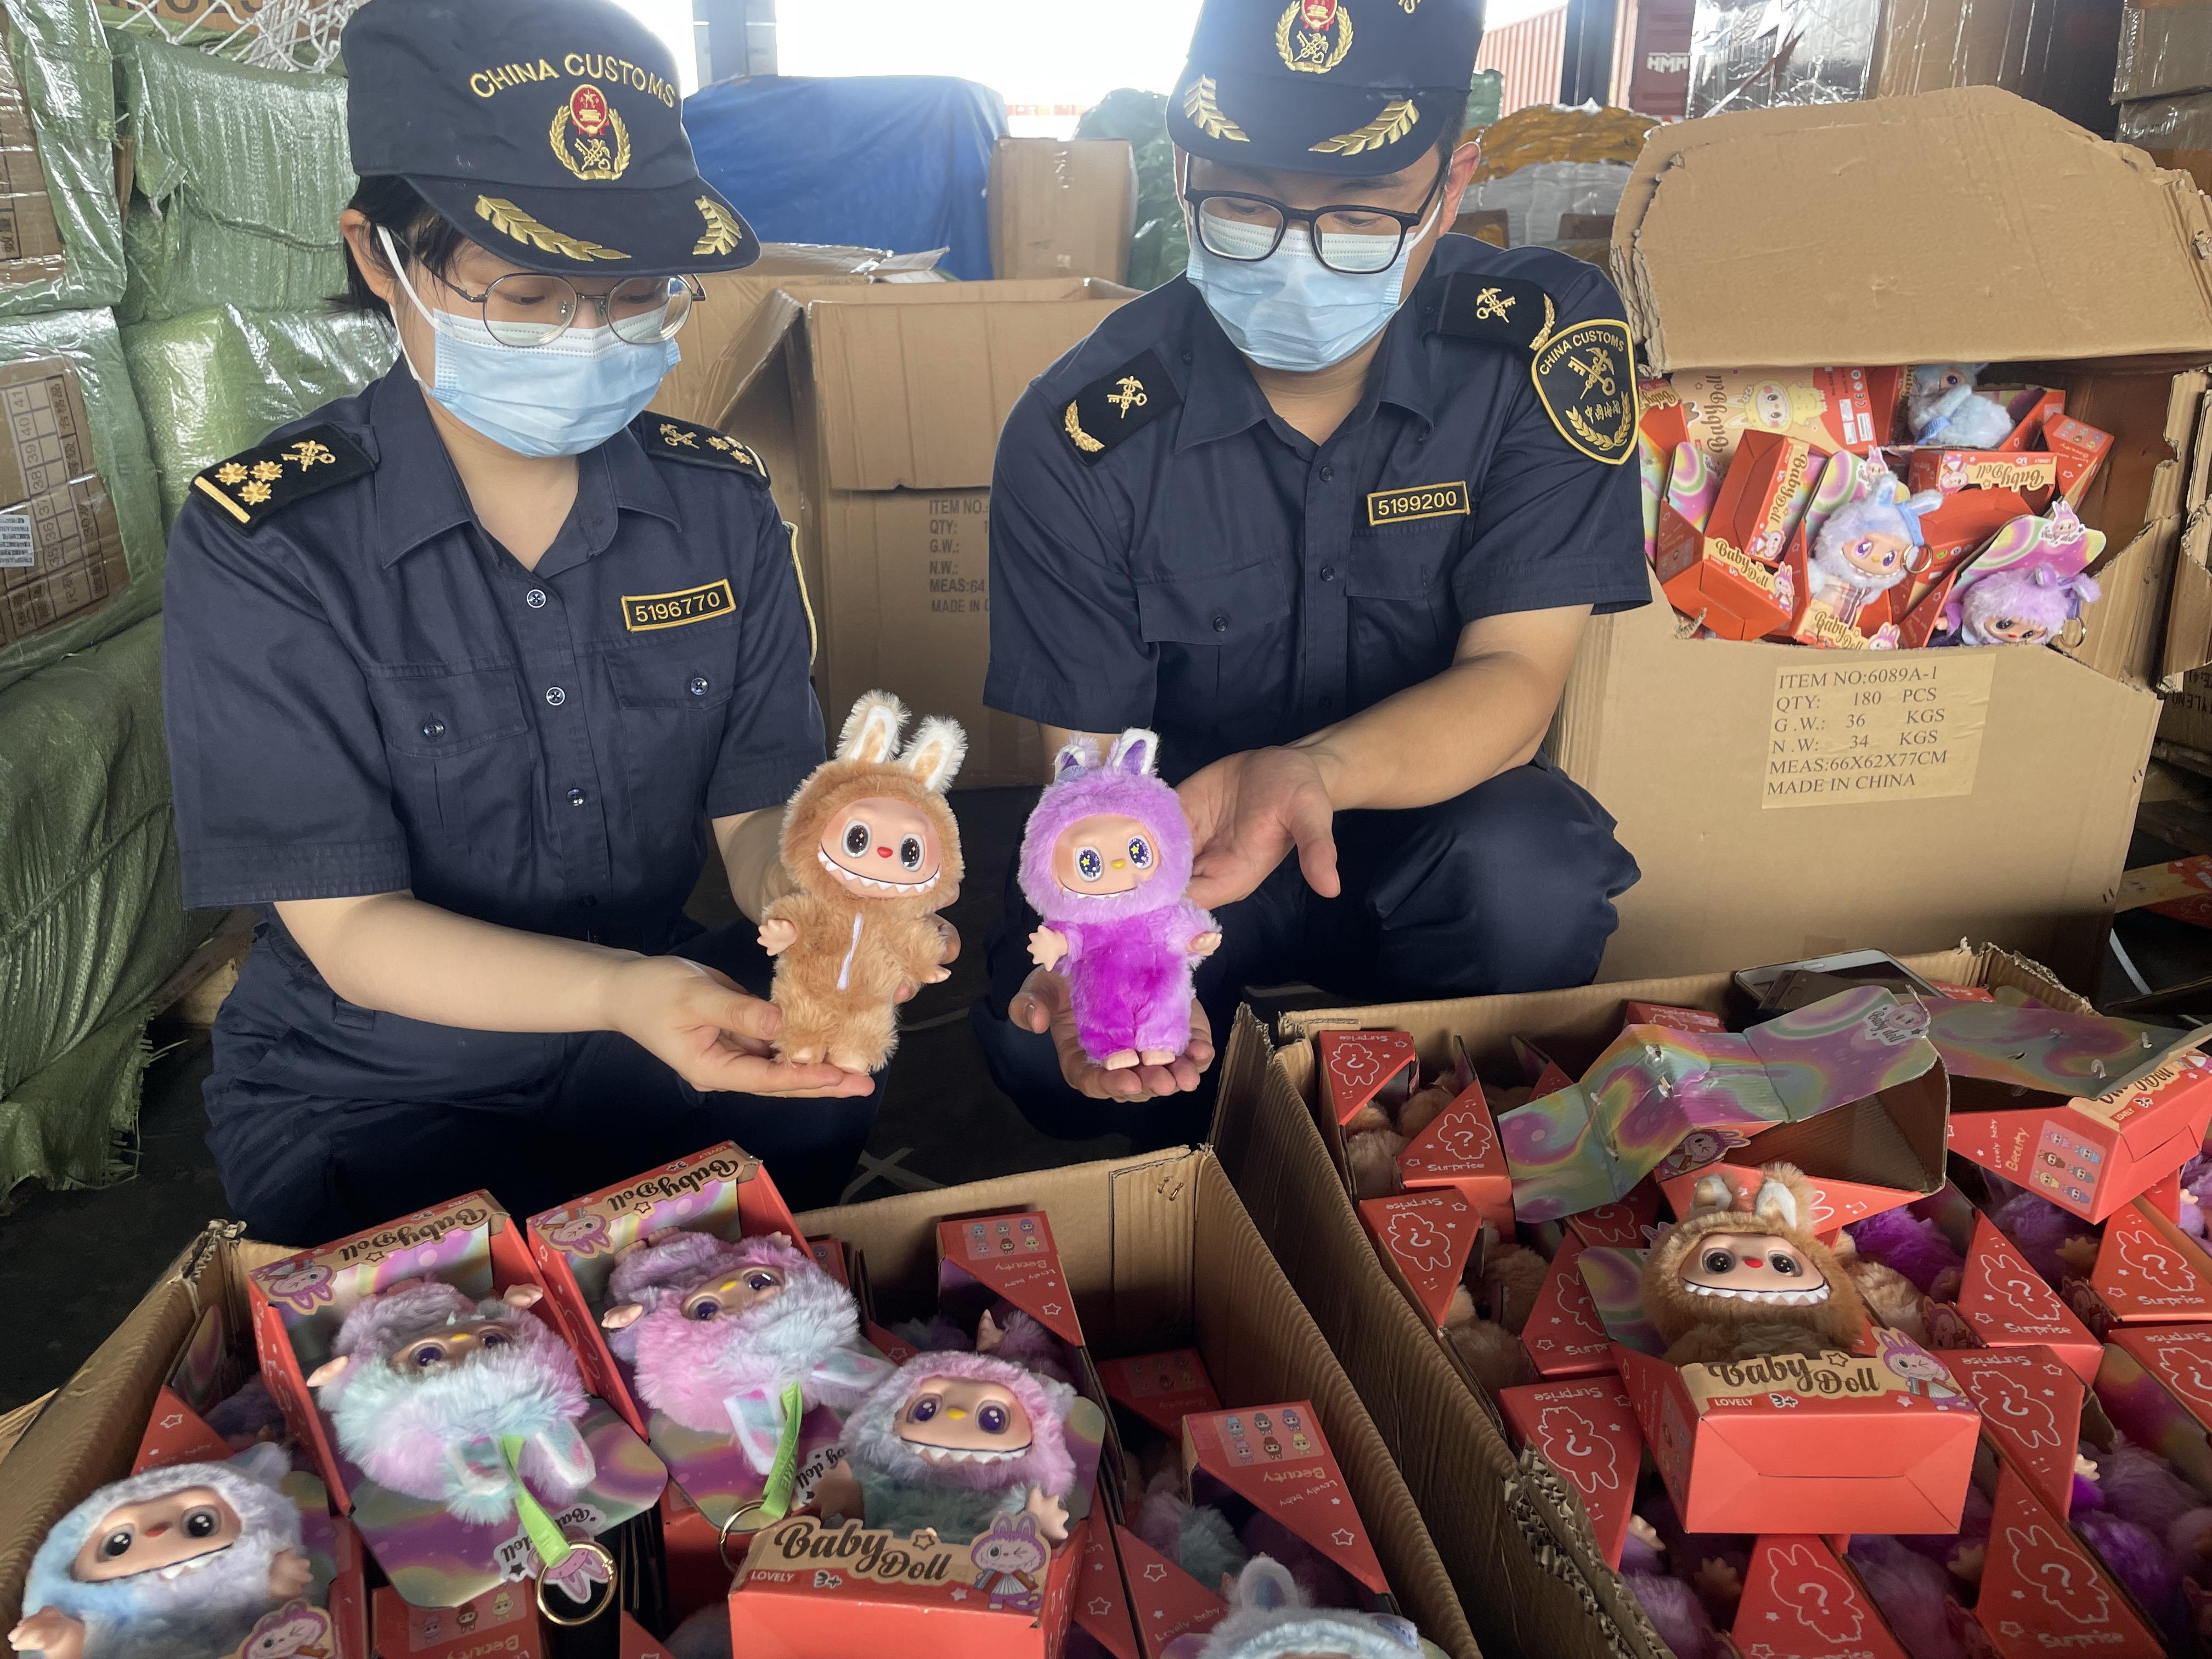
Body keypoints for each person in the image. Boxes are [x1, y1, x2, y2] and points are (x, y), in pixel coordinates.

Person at [161, 0, 942, 1243]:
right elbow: (350, 928)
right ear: (380, 257)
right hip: (380, 1075)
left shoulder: (716, 505)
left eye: (633, 295)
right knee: (441, 1297)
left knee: (815, 1110)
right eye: (526, 295)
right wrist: (622, 993)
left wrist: (828, 901)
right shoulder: (271, 542)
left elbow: (757, 807)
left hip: (648, 1012)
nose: (588, 338)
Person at [976, 0, 1646, 1142]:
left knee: (1532, 874)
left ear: (1451, 183)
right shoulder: (1079, 430)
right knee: (1052, 1046)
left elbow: (1517, 678)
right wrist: (1120, 938)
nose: (1296, 257)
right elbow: (1091, 777)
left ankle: (1440, 1149)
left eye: (1359, 214)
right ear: (1183, 170)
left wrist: (1307, 774)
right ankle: (1210, 1172)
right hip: (1188, 854)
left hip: (1427, 823)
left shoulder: (1537, 345)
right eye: (1243, 206)